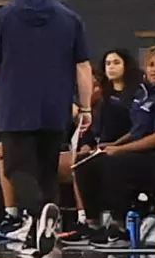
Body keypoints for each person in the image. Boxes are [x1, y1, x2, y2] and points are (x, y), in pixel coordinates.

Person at [0, 0, 93, 258]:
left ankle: (40, 212)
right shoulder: (70, 19)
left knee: (16, 169)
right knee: (46, 172)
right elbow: (84, 67)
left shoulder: (2, 18)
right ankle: (40, 239)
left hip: (16, 105)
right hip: (55, 106)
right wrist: (86, 107)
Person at [77, 45, 155, 247]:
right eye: (151, 65)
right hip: (143, 151)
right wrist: (112, 144)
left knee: (115, 163)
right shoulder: (146, 94)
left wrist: (119, 150)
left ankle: (119, 227)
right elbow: (137, 131)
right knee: (86, 162)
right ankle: (92, 224)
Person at [58, 48, 140, 245]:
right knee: (76, 160)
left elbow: (138, 129)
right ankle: (86, 222)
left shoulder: (136, 93)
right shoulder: (102, 95)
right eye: (108, 63)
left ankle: (113, 224)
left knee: (88, 162)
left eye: (116, 63)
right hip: (100, 144)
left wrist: (112, 146)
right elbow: (90, 128)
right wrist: (88, 144)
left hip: (127, 146)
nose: (111, 67)